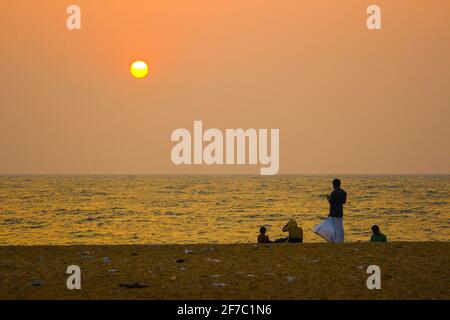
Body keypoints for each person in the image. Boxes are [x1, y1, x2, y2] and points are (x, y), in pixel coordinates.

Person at [327, 178, 347, 243]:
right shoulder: (344, 192)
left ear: (334, 185)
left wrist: (328, 198)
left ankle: (335, 240)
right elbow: (344, 202)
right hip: (340, 212)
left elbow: (331, 202)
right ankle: (341, 240)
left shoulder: (334, 192)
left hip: (333, 212)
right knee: (340, 227)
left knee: (334, 227)